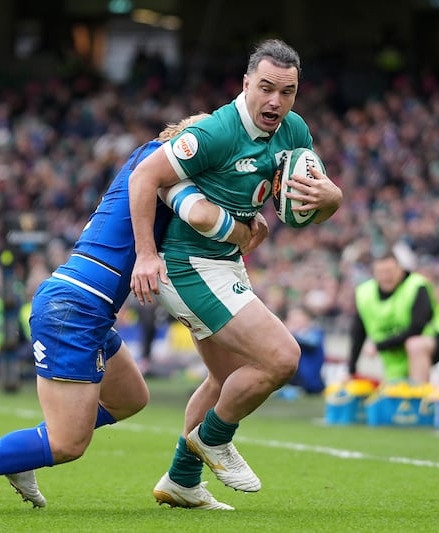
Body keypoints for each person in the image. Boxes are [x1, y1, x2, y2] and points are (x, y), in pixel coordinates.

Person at [0, 114, 259, 514]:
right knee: (67, 445)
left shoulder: (151, 164)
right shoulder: (161, 168)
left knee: (131, 396)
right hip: (74, 307)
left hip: (85, 306)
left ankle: (22, 456)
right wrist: (247, 225)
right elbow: (201, 217)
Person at [128, 39, 342, 509]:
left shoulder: (294, 131)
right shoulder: (216, 132)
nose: (275, 102)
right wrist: (146, 255)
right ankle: (214, 439)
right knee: (282, 358)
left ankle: (182, 481)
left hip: (225, 264)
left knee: (226, 381)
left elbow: (302, 209)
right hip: (188, 265)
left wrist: (332, 201)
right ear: (246, 84)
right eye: (266, 89)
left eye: (287, 92)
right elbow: (144, 176)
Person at [347, 247, 439, 384]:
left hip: (434, 350)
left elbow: (417, 328)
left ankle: (417, 398)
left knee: (415, 344)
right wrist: (351, 369)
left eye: (389, 272)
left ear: (400, 269)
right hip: (396, 362)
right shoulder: (365, 294)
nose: (386, 277)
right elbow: (358, 331)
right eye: (380, 272)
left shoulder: (417, 286)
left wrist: (379, 346)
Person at [283, 305, 326, 395]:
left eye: (297, 319)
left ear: (306, 319)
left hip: (310, 382)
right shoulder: (288, 336)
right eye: (292, 319)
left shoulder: (316, 332)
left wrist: (290, 332)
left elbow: (311, 343)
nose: (295, 322)